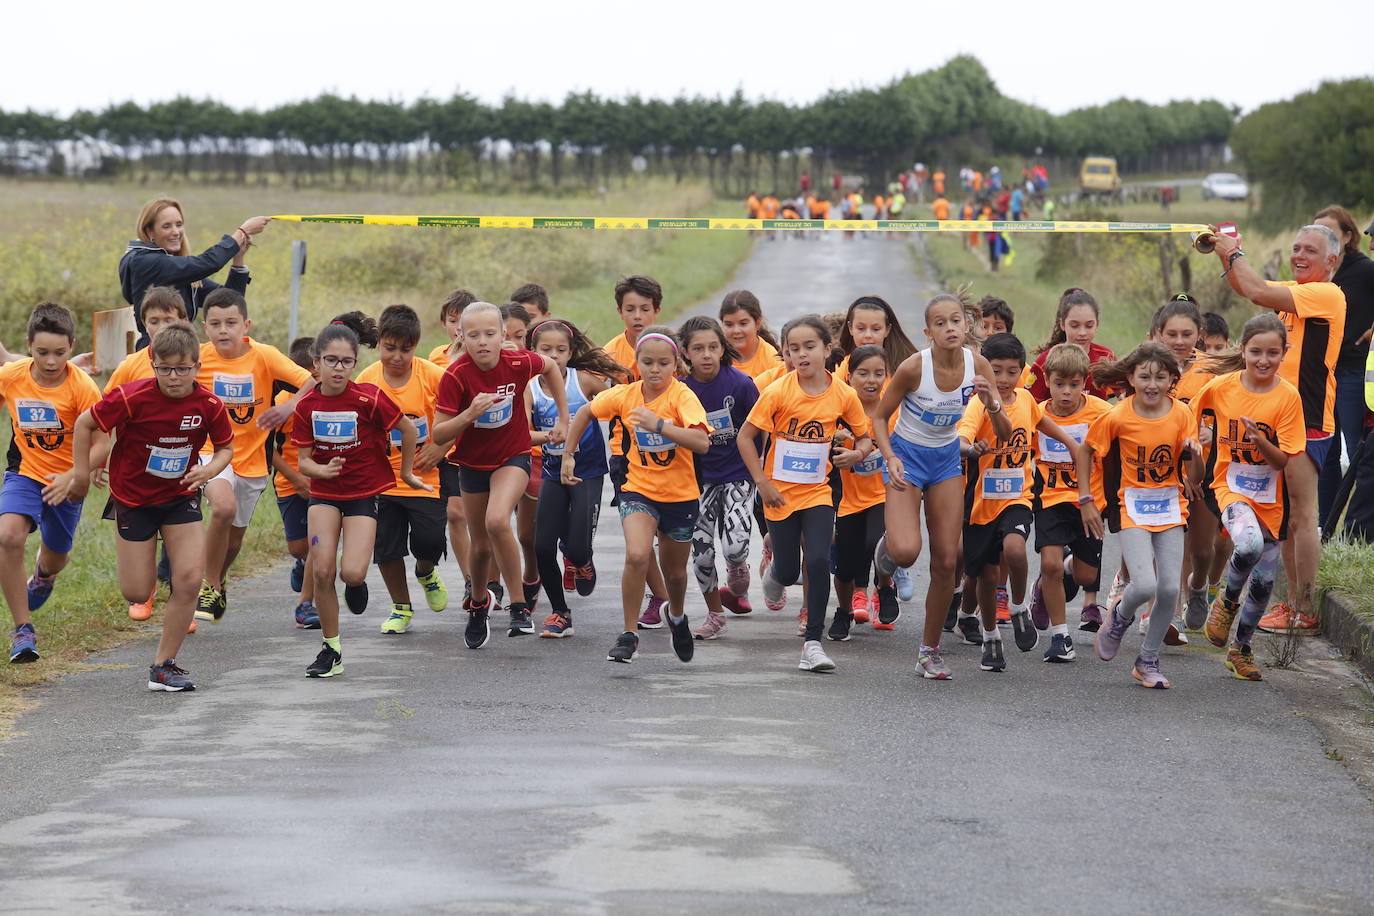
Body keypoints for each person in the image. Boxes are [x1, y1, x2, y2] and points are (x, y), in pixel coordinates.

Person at [66, 322, 234, 691]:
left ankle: (163, 666)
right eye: (165, 368)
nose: (173, 377)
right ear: (152, 363)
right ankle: (140, 560)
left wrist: (207, 470)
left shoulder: (208, 404)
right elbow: (84, 423)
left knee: (189, 579)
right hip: (134, 500)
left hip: (179, 498)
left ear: (197, 366)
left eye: (182, 369)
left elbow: (225, 448)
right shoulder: (131, 397)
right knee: (137, 592)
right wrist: (81, 475)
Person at [1207, 224, 1345, 635]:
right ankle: (1290, 605)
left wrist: (1234, 253)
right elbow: (1250, 285)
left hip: (1310, 422)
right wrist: (1223, 252)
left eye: (1311, 251)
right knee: (1285, 521)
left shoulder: (1326, 294)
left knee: (1303, 517)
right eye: (1296, 248)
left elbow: (1257, 292)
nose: (1300, 256)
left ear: (1332, 262)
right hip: (1280, 418)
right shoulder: (1295, 292)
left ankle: (1304, 609)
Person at [871, 294, 1007, 680]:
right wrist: (890, 457)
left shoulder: (978, 365)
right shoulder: (914, 368)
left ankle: (928, 651)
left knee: (948, 560)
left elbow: (1004, 431)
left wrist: (991, 403)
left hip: (946, 459)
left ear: (967, 327)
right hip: (906, 457)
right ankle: (887, 548)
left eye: (956, 321)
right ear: (928, 332)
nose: (950, 328)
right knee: (907, 551)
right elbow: (881, 417)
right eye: (940, 323)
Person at [421, 302, 567, 648]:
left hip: (512, 456)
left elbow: (550, 368)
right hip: (471, 464)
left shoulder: (517, 362)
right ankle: (478, 602)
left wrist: (562, 418)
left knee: (498, 520)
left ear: (503, 335)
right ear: (462, 338)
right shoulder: (456, 376)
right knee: (481, 546)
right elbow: (440, 434)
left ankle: (519, 606)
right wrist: (469, 413)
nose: (483, 341)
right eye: (474, 335)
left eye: (490, 334)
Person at [292, 314, 424, 678]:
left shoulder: (368, 397)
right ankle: (331, 650)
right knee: (321, 570)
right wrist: (322, 471)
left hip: (363, 494)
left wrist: (408, 472)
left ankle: (357, 583)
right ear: (316, 362)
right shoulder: (306, 407)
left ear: (355, 363)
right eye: (330, 360)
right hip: (324, 494)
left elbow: (408, 430)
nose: (338, 368)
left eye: (346, 361)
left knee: (350, 572)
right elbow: (304, 462)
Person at [739, 315, 872, 673]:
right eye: (793, 348)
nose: (802, 354)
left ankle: (813, 643)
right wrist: (762, 483)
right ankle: (773, 573)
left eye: (809, 347)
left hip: (817, 491)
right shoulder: (778, 392)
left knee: (816, 560)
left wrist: (857, 454)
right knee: (787, 570)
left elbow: (865, 437)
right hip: (778, 494)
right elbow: (745, 437)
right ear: (785, 353)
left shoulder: (843, 394)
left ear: (828, 350)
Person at [565, 327, 706, 665]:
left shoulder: (682, 396)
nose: (655, 370)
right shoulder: (626, 395)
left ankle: (677, 615)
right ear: (637, 363)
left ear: (676, 365)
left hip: (680, 496)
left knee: (674, 573)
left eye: (662, 363)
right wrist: (568, 453)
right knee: (637, 555)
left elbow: (702, 442)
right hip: (638, 490)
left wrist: (660, 426)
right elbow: (586, 411)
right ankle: (629, 634)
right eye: (647, 362)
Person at [957, 333, 1095, 673]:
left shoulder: (1025, 401)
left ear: (1023, 372)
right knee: (987, 577)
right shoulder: (978, 404)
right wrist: (970, 448)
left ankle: (1018, 606)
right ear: (983, 372)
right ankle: (990, 637)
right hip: (979, 505)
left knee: (1016, 550)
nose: (1004, 380)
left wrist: (1072, 445)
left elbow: (1043, 423)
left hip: (1017, 496)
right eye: (996, 372)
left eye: (1012, 372)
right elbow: (963, 435)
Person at [193, 289, 314, 624]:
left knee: (233, 541)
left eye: (231, 323)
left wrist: (289, 405)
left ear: (245, 324)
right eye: (215, 324)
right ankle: (210, 584)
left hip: (252, 460)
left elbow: (310, 382)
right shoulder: (199, 358)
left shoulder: (264, 355)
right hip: (212, 452)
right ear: (205, 327)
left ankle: (219, 577)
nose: (223, 331)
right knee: (223, 507)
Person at [1195, 314, 1305, 681]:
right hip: (1230, 487)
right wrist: (1197, 444)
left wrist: (1261, 441)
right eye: (1256, 351)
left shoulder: (1288, 397)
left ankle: (1240, 649)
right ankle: (1226, 601)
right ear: (1242, 351)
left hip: (1271, 496)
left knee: (1263, 583)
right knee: (1248, 544)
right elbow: (1189, 416)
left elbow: (1283, 459)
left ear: (1283, 353)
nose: (1263, 360)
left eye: (1273, 353)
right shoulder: (1220, 388)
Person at [1086, 343, 1202, 690]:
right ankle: (1121, 615)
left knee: (1168, 589)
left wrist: (1193, 454)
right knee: (1146, 584)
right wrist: (1085, 498)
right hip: (1131, 506)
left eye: (1161, 377)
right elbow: (1086, 449)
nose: (1152, 384)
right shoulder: (1118, 415)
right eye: (1145, 376)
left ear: (1172, 379)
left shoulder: (1182, 414)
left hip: (1170, 506)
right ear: (1131, 378)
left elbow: (1196, 476)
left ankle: (1147, 660)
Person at [0, 304, 104, 663]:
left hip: (68, 480)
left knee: (57, 556)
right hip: (25, 473)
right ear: (28, 345)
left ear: (72, 346)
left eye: (59, 353)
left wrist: (76, 475)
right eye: (42, 352)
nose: (50, 361)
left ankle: (43, 575)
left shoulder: (82, 387)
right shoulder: (12, 376)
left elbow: (105, 442)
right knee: (8, 535)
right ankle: (23, 630)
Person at [357, 305, 451, 636]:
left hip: (425, 479)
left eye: (405, 349)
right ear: (379, 343)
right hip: (381, 481)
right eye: (389, 348)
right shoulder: (367, 380)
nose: (397, 356)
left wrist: (440, 448)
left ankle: (426, 572)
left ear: (417, 345)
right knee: (387, 546)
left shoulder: (434, 377)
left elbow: (459, 419)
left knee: (429, 542)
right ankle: (401, 606)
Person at [527, 318, 624, 637]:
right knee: (542, 546)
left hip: (589, 472)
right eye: (546, 350)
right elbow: (522, 433)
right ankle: (560, 612)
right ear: (533, 351)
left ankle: (582, 560)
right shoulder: (530, 389)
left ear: (570, 353)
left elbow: (620, 396)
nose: (553, 356)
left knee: (578, 549)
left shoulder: (582, 381)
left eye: (560, 350)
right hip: (553, 474)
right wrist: (546, 435)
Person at [1026, 343, 1111, 659]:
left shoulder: (1102, 414)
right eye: (1059, 384)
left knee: (1085, 577)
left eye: (1074, 385)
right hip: (1050, 498)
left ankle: (1064, 565)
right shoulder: (1037, 413)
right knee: (1048, 564)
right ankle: (1060, 638)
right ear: (1046, 380)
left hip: (1090, 503)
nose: (1066, 392)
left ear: (1085, 382)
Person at [678, 316, 760, 639]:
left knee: (736, 545)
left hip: (738, 473)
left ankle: (739, 567)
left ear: (722, 348)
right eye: (698, 348)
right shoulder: (681, 389)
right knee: (700, 553)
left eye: (713, 347)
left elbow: (761, 427)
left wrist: (762, 469)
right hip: (699, 480)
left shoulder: (741, 384)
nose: (707, 355)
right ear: (685, 352)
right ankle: (715, 614)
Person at [601, 276, 673, 624]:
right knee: (639, 534)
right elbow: (588, 391)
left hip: (671, 453)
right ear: (619, 312)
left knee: (666, 532)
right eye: (630, 309)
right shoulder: (611, 352)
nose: (637, 315)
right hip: (623, 452)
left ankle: (667, 590)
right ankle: (659, 596)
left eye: (645, 309)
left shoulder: (667, 347)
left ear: (657, 310)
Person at [119, 197, 269, 346]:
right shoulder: (145, 262)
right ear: (149, 231)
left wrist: (238, 259)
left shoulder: (173, 267)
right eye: (167, 226)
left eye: (179, 225)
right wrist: (241, 233)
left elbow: (229, 301)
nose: (176, 232)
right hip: (155, 355)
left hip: (181, 351)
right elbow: (208, 263)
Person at [1313, 206, 1374, 526]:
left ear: (1348, 236)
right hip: (1321, 374)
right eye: (1317, 234)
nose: (1323, 241)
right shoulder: (1318, 271)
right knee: (1326, 455)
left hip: (1353, 372)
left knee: (1359, 453)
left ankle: (1361, 526)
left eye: (1331, 234)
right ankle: (1326, 525)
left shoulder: (1364, 270)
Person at [829, 345, 891, 641]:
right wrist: (836, 441)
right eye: (863, 374)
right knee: (844, 567)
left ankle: (884, 585)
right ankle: (844, 611)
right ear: (849, 377)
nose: (871, 380)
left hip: (884, 495)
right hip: (849, 500)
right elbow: (826, 454)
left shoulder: (893, 409)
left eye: (878, 374)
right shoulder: (840, 413)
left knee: (876, 543)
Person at [429, 288, 478, 603]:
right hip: (449, 449)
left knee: (486, 520)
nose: (458, 328)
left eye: (465, 321)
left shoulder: (488, 353)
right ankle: (471, 581)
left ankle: (494, 577)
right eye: (452, 321)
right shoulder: (436, 358)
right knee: (456, 514)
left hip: (481, 445)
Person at [270, 337, 321, 629]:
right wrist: (297, 479)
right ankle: (301, 564)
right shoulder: (280, 405)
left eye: (315, 378)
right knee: (299, 547)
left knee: (319, 543)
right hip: (290, 483)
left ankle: (305, 604)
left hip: (324, 486)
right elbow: (268, 450)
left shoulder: (329, 403)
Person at [1026, 288, 1118, 401]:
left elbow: (1118, 396)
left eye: (1089, 326)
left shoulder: (1106, 357)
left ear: (1097, 324)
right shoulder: (1045, 362)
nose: (1082, 333)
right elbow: (1029, 406)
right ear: (1062, 324)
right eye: (1074, 326)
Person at [719, 290, 782, 379]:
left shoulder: (773, 361)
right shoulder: (716, 357)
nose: (736, 330)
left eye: (743, 323)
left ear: (757, 323)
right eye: (729, 324)